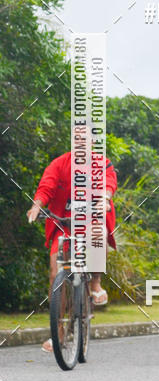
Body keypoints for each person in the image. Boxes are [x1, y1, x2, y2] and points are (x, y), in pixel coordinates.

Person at [27, 140, 118, 352]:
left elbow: (108, 184)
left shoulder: (101, 163)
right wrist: (36, 206)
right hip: (64, 223)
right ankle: (58, 330)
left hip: (91, 221)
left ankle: (95, 283)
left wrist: (104, 198)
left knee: (99, 233)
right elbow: (46, 187)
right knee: (55, 270)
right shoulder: (60, 164)